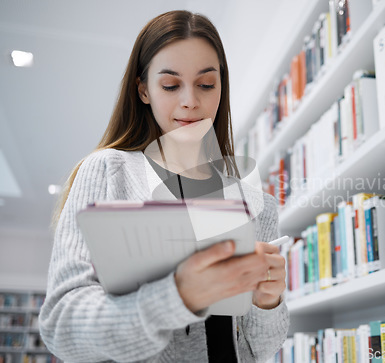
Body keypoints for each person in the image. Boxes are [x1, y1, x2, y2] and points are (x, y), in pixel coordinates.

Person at [39, 10, 289, 363]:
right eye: (171, 85)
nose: (190, 100)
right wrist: (177, 297)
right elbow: (61, 326)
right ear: (143, 89)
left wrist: (268, 301)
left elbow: (258, 349)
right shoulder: (108, 172)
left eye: (206, 84)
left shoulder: (255, 203)